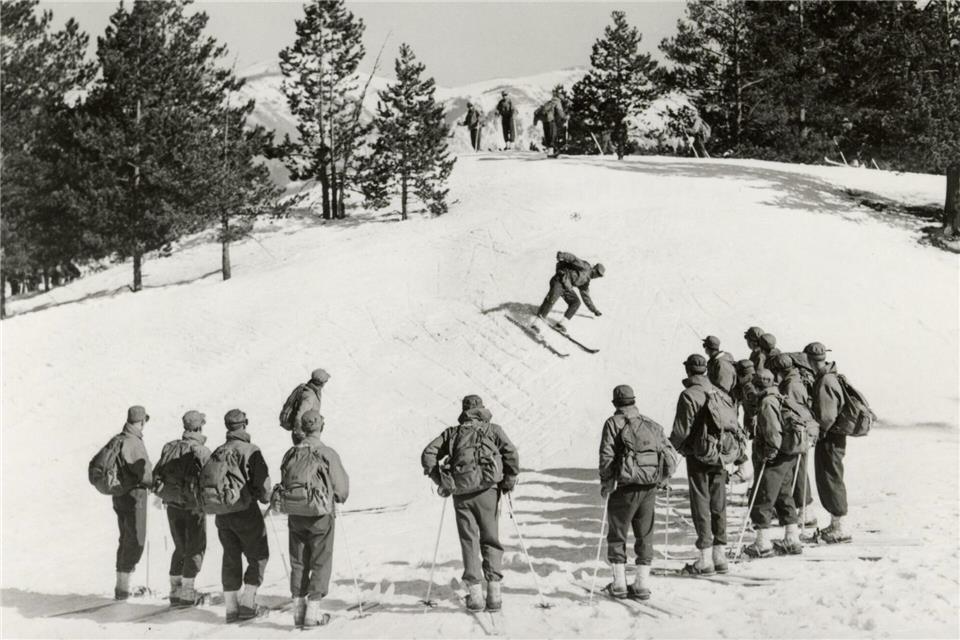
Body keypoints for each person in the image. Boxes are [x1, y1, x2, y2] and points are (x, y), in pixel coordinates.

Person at [421, 395, 520, 612]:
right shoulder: (493, 430)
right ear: (482, 409)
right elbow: (511, 453)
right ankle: (494, 595)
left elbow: (428, 454)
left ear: (464, 411)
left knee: (469, 541)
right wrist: (508, 480)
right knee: (490, 539)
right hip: (488, 491)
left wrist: (442, 481)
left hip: (462, 494)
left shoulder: (452, 433)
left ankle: (475, 596)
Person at [598, 385, 677, 600]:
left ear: (615, 403)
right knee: (645, 534)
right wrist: (662, 479)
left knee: (618, 533)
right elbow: (668, 452)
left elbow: (606, 456)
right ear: (634, 401)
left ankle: (619, 584)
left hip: (624, 487)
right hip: (649, 487)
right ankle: (642, 583)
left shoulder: (613, 423)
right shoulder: (650, 424)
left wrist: (606, 483)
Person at [279, 410, 350, 628]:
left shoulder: (290, 453)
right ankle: (313, 613)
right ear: (321, 427)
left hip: (295, 513)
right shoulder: (327, 453)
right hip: (320, 515)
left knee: (298, 561)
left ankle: (298, 612)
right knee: (320, 559)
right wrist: (336, 497)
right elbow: (341, 490)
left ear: (302, 427)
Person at [209, 409, 272, 622]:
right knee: (258, 555)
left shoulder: (218, 451)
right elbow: (263, 486)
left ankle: (230, 608)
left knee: (230, 556)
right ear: (245, 424)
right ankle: (248, 603)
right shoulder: (250, 450)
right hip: (246, 512)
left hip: (222, 514)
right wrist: (266, 498)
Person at [669, 355, 728, 575]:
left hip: (699, 455)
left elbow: (681, 431)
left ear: (688, 371)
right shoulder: (718, 392)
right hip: (720, 454)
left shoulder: (688, 394)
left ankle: (704, 559)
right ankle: (720, 556)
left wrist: (672, 449)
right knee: (719, 502)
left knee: (701, 503)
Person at [153, 410, 212, 607]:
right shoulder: (202, 451)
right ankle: (187, 593)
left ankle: (175, 590)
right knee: (195, 547)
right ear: (199, 427)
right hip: (194, 507)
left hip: (172, 505)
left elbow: (156, 473)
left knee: (180, 546)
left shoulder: (170, 447)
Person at [744, 369, 802, 557]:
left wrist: (769, 454)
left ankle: (762, 543)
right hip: (788, 455)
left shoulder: (767, 402)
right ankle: (792, 539)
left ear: (757, 385)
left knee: (763, 496)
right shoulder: (779, 397)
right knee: (784, 495)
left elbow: (773, 432)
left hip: (775, 456)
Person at [806, 342, 852, 543]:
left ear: (809, 360)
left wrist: (818, 432)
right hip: (833, 436)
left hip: (830, 437)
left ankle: (840, 527)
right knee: (831, 477)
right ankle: (836, 523)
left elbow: (827, 416)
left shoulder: (825, 380)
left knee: (831, 478)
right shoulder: (830, 376)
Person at [107, 406, 154, 600]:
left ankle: (122, 586)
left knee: (125, 537)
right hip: (135, 495)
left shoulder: (119, 438)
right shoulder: (134, 442)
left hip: (119, 494)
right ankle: (125, 586)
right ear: (142, 422)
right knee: (136, 539)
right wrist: (154, 483)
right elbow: (145, 474)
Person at [770, 354, 817, 528]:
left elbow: (794, 413)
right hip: (800, 434)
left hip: (797, 435)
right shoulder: (794, 379)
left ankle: (806, 511)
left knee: (799, 471)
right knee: (798, 470)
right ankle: (803, 510)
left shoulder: (791, 385)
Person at [532, 251, 605, 333]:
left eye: (599, 276)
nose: (597, 276)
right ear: (595, 269)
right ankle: (537, 322)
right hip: (559, 280)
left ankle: (561, 324)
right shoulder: (585, 267)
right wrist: (562, 255)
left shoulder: (585, 282)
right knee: (552, 299)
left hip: (566, 287)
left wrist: (594, 310)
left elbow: (586, 297)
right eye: (598, 273)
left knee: (576, 302)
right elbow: (573, 259)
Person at [281, 368, 330, 444]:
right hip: (305, 434)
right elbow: (299, 416)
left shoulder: (308, 388)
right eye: (325, 381)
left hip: (307, 431)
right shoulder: (310, 396)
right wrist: (301, 435)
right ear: (320, 383)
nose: (325, 383)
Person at [730, 359, 759, 484]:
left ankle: (748, 476)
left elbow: (756, 407)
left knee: (758, 453)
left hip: (758, 424)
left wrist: (752, 422)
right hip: (755, 422)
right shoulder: (754, 381)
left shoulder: (748, 387)